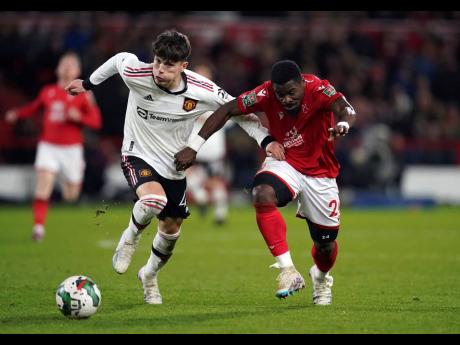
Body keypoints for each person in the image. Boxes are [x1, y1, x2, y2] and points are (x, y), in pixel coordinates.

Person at [65, 30, 284, 305]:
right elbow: (120, 59)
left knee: (170, 231)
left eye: (168, 65)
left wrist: (266, 140)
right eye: (157, 61)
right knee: (153, 200)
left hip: (174, 166)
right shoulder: (138, 73)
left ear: (183, 66)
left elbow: (238, 111)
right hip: (137, 154)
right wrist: (88, 83)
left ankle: (149, 276)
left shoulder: (201, 89)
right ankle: (130, 239)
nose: (159, 70)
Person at [174, 60, 357, 305]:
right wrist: (194, 147)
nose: (286, 100)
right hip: (285, 161)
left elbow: (346, 109)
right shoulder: (264, 93)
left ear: (302, 83)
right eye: (280, 95)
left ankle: (321, 278)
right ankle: (288, 270)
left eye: (292, 92)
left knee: (325, 246)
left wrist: (343, 124)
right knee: (262, 193)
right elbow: (227, 109)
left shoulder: (319, 89)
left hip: (320, 174)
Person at [5, 52, 102, 242]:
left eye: (71, 64)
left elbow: (97, 122)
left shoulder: (85, 94)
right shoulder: (47, 91)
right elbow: (33, 108)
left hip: (71, 150)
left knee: (71, 195)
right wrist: (17, 115)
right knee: (43, 184)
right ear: (58, 69)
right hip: (48, 146)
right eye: (64, 64)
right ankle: (38, 228)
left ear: (77, 70)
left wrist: (79, 117)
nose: (67, 67)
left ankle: (71, 180)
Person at [186, 64, 230, 225]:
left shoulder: (216, 96)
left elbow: (228, 118)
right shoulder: (187, 94)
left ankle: (220, 214)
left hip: (212, 148)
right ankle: (201, 198)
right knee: (187, 176)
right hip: (193, 147)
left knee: (215, 182)